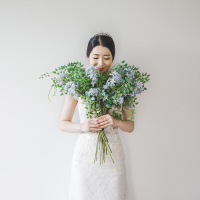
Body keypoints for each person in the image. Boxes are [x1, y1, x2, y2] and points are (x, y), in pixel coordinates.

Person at [59, 32, 134, 200]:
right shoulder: (77, 84)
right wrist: (83, 126)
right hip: (85, 159)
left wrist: (116, 122)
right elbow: (63, 123)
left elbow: (130, 125)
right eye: (96, 57)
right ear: (87, 57)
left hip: (113, 160)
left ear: (113, 58)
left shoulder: (124, 85)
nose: (101, 63)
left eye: (107, 58)